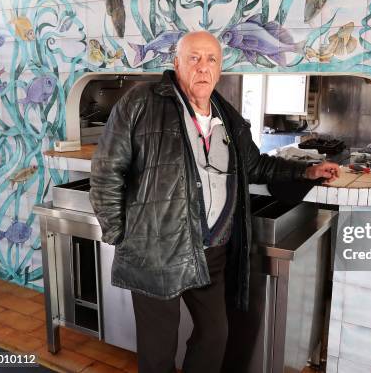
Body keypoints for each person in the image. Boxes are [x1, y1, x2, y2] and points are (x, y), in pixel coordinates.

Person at [89, 31, 340, 373]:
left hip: (213, 251)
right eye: (194, 58)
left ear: (220, 68)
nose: (203, 67)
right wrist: (122, 236)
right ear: (177, 63)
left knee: (214, 335)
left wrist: (307, 172)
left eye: (211, 60)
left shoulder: (227, 114)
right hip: (155, 252)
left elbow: (255, 165)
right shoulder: (141, 102)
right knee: (159, 349)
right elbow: (106, 171)